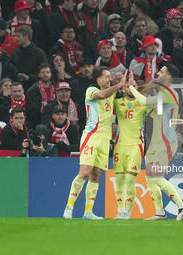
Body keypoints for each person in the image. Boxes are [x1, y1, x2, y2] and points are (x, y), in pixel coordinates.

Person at [128, 63, 183, 221]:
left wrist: (132, 88)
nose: (158, 74)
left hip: (166, 141)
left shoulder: (170, 93)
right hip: (157, 141)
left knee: (156, 176)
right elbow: (152, 112)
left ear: (168, 77)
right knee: (149, 177)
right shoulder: (164, 94)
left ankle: (182, 205)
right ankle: (160, 212)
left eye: (161, 72)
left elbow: (144, 102)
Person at [63, 66, 125, 220]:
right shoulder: (91, 90)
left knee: (96, 175)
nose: (110, 79)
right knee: (85, 171)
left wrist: (133, 84)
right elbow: (102, 95)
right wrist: (119, 85)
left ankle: (88, 212)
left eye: (110, 76)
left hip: (105, 139)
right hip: (92, 136)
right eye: (107, 76)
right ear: (99, 80)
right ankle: (69, 208)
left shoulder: (113, 93)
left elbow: (128, 93)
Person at [112, 72, 147, 219]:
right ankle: (120, 210)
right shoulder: (117, 102)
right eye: (128, 87)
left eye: (133, 87)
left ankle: (127, 211)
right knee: (119, 180)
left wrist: (133, 87)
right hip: (120, 145)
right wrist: (120, 84)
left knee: (129, 179)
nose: (130, 88)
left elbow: (146, 102)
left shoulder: (142, 103)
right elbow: (105, 97)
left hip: (136, 145)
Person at [11, 26, 47, 90]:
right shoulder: (14, 53)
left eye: (18, 36)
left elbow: (45, 73)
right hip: (17, 88)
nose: (16, 38)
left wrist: (29, 78)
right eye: (15, 36)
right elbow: (11, 70)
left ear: (26, 36)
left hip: (35, 88)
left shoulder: (39, 53)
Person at [26, 63, 55, 128]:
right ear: (39, 75)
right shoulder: (32, 90)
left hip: (55, 119)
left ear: (51, 74)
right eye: (43, 72)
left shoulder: (56, 87)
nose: (45, 74)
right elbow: (31, 109)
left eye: (47, 72)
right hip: (38, 121)